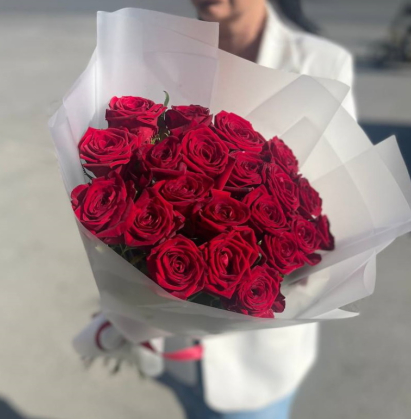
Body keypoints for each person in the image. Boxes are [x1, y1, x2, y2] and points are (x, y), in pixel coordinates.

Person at [76, 1, 356, 418]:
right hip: (177, 353)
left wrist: (267, 272)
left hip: (255, 365)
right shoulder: (165, 51)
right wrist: (129, 284)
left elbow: (342, 205)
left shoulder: (323, 62)